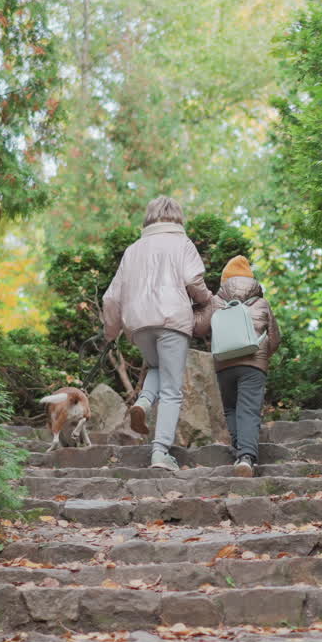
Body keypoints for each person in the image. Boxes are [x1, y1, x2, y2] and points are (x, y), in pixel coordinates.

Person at [101, 197, 212, 472]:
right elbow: (193, 281)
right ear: (178, 217)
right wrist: (206, 299)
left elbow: (111, 298)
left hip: (139, 324)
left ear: (149, 218)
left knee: (156, 367)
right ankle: (160, 452)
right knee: (172, 390)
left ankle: (143, 401)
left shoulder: (133, 250)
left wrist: (110, 333)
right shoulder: (182, 243)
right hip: (172, 319)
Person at [195, 255, 281, 478]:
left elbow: (200, 328)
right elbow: (275, 339)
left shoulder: (216, 301)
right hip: (254, 364)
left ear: (225, 280)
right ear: (251, 281)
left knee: (231, 408)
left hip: (224, 363)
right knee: (249, 410)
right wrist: (262, 356)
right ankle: (246, 457)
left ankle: (240, 448)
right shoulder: (262, 303)